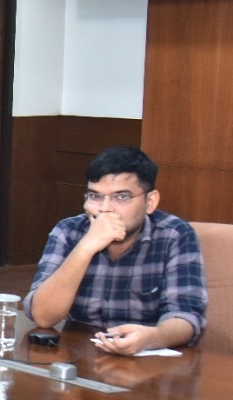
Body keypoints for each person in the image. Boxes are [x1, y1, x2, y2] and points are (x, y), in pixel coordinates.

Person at [23, 146, 207, 355]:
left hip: (149, 361)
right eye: (95, 196)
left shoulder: (175, 235)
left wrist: (151, 337)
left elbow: (186, 318)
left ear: (150, 202)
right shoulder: (69, 231)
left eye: (121, 197)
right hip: (80, 356)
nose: (105, 208)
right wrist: (86, 247)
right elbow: (44, 317)